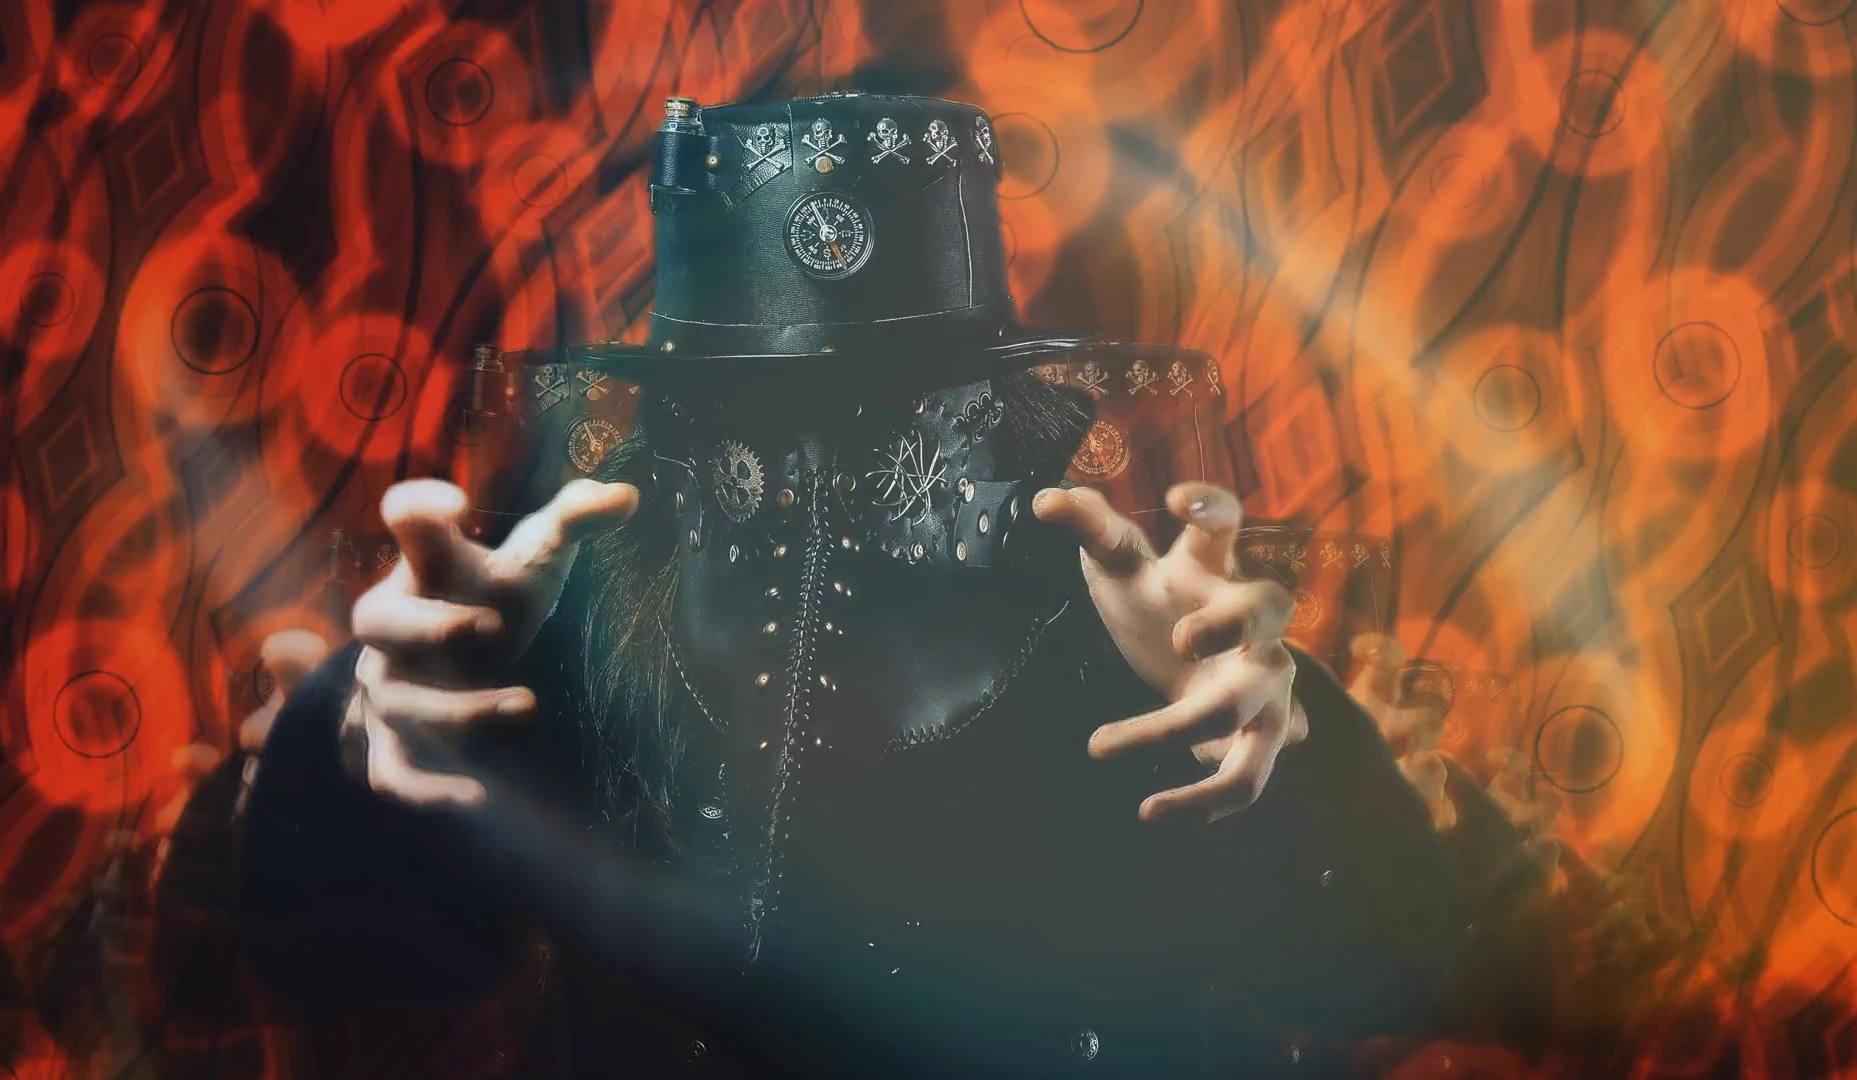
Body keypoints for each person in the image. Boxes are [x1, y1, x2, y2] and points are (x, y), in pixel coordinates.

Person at [237, 93, 1467, 1077]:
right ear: (683, 422)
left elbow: (1390, 969)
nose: (821, 497)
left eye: (890, 417)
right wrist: (367, 729)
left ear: (998, 400)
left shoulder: (1130, 643)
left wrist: (1286, 744)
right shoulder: (582, 636)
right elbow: (340, 955)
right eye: (764, 428)